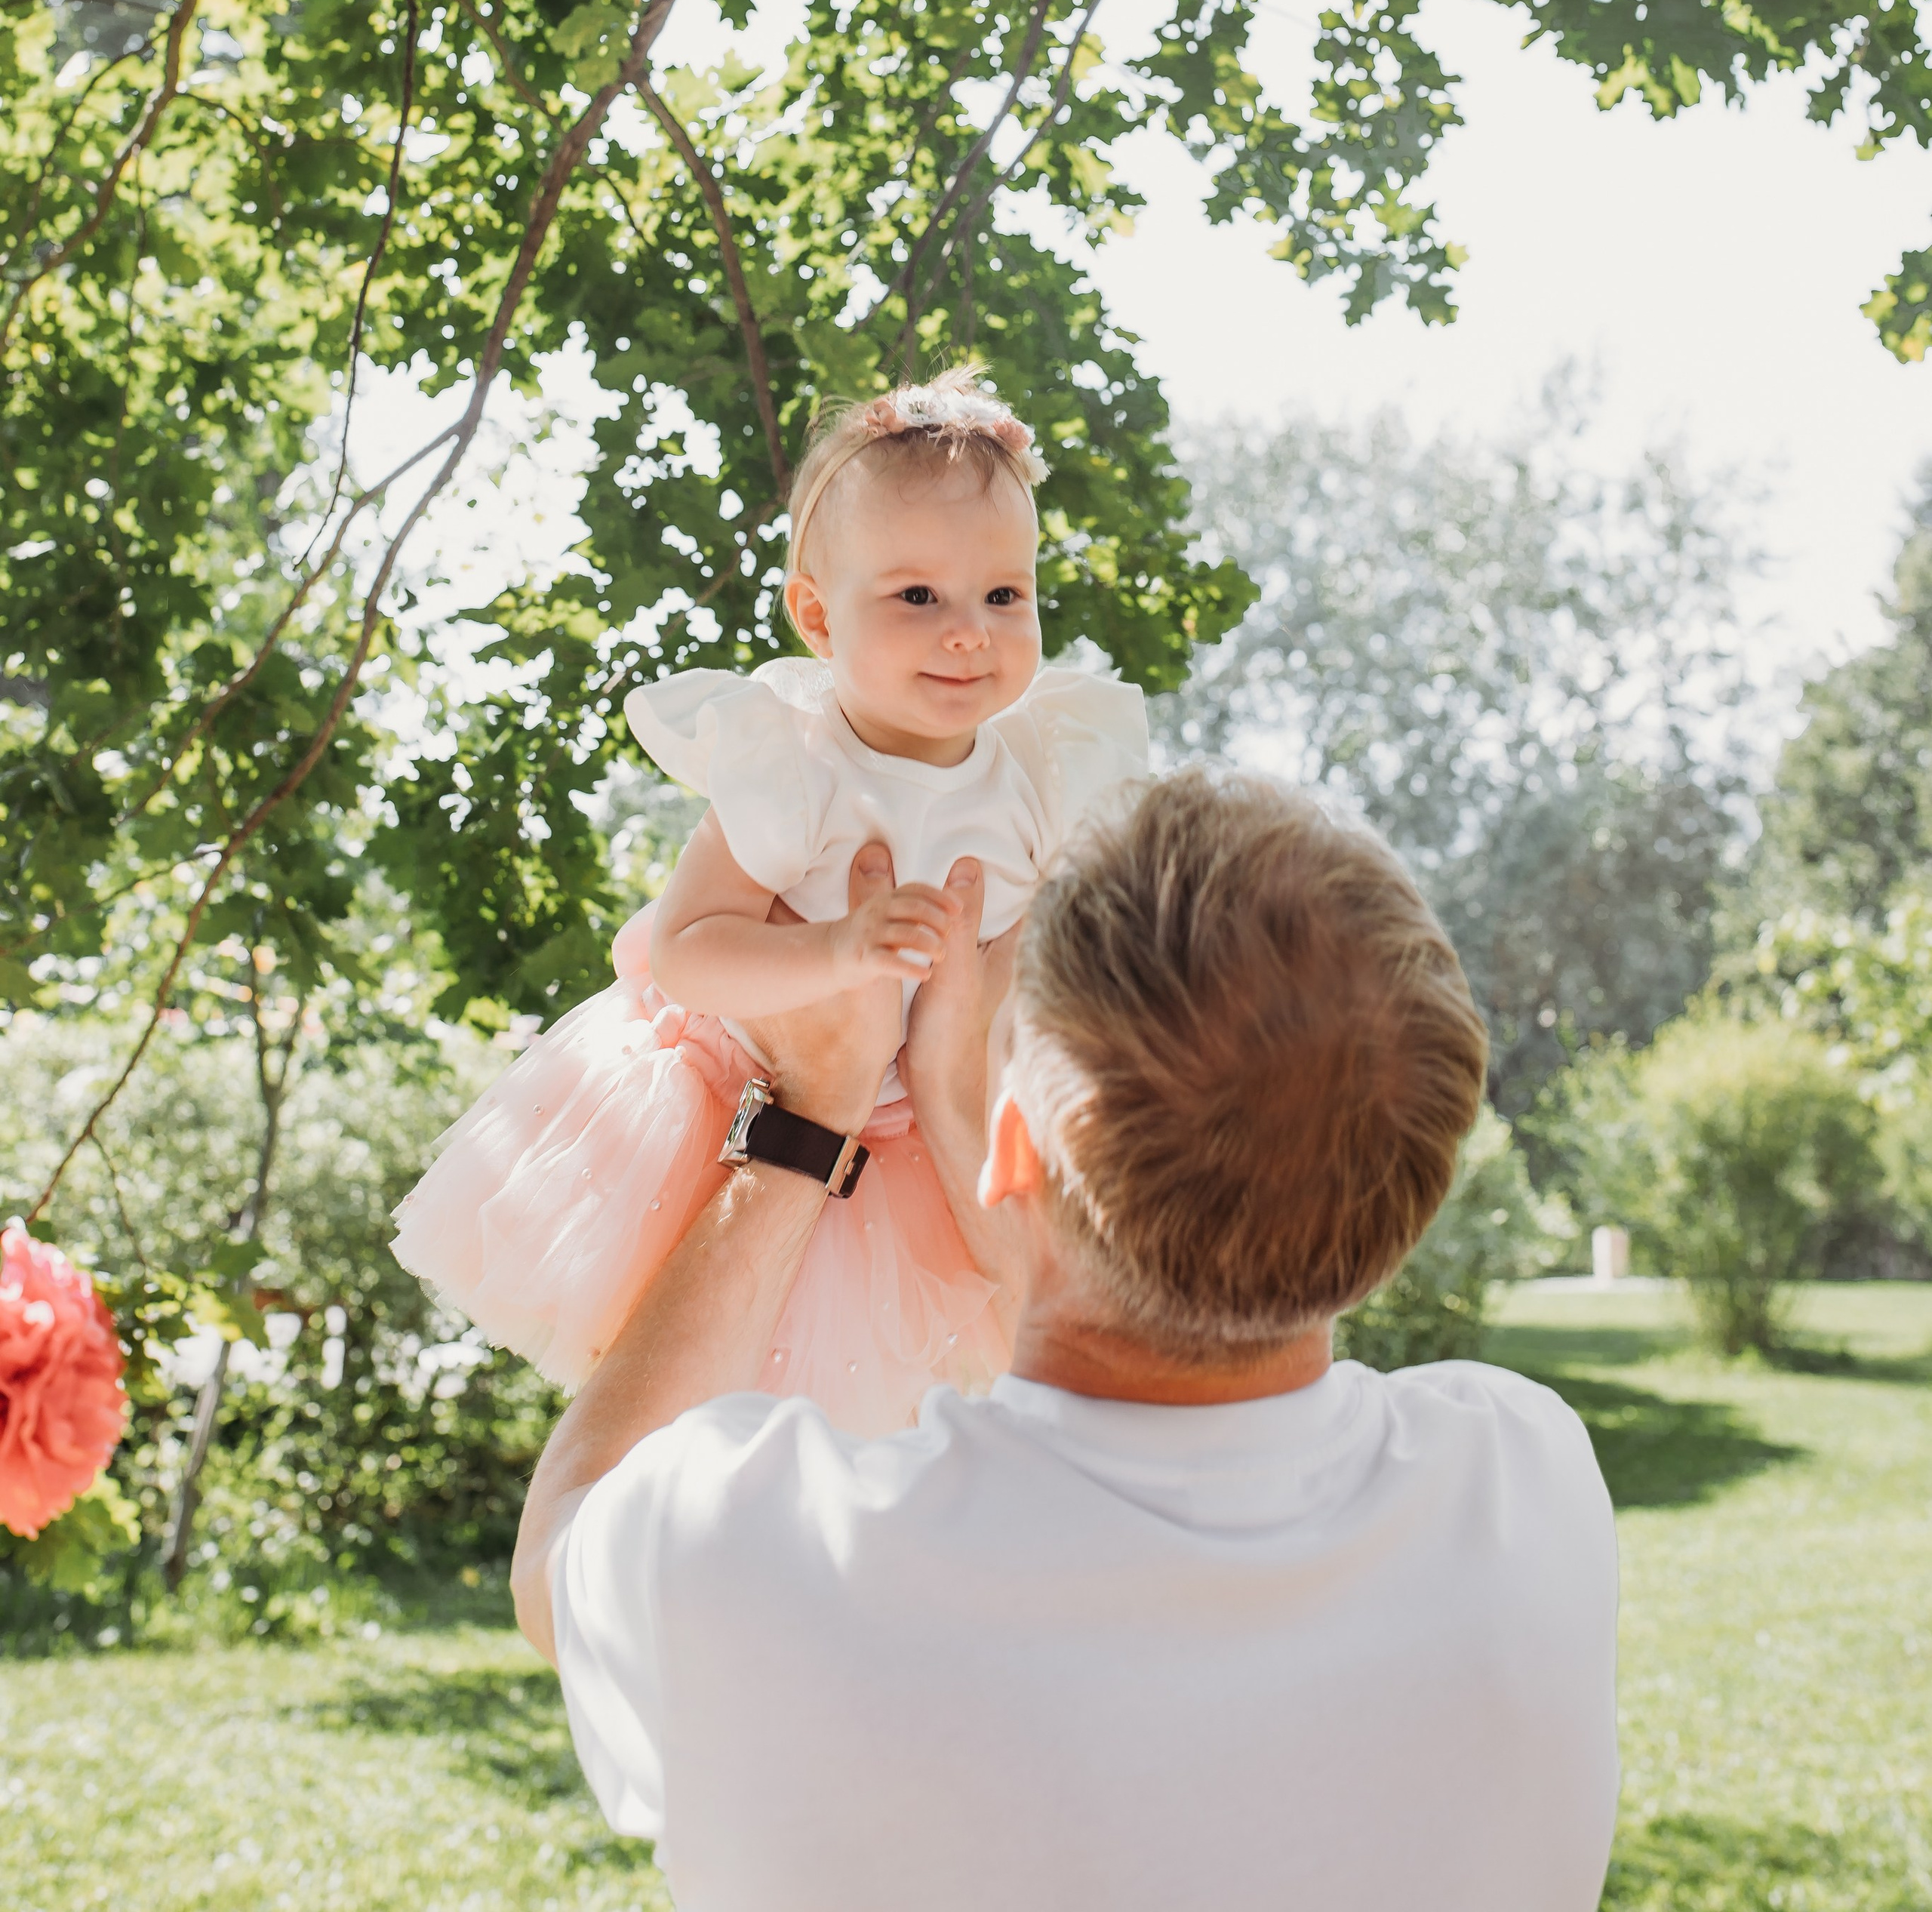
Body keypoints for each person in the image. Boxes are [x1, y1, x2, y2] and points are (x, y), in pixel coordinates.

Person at [512, 766, 1621, 1912]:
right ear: (1421, 1179)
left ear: (1017, 1149)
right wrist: (963, 1093)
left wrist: (816, 1110)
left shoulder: (770, 1556)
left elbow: (562, 1544)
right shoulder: (1523, 1483)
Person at [392, 368, 1147, 1429]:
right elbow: (690, 950)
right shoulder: (794, 765)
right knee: (703, 1381)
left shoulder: (1039, 780)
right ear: (816, 615)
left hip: (915, 1145)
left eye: (1005, 595)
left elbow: (1010, 990)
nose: (970, 630)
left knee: (876, 1405)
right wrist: (839, 950)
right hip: (735, 1105)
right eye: (917, 596)